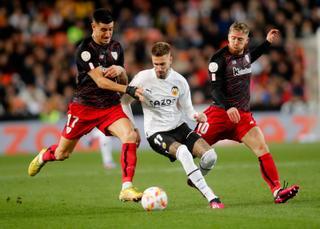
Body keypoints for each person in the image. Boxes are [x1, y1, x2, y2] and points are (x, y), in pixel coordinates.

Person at [28, 8, 144, 202]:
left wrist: (121, 70)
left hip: (109, 106)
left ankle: (126, 188)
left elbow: (122, 80)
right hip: (84, 108)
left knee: (130, 136)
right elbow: (101, 82)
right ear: (93, 26)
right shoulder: (85, 50)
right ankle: (43, 157)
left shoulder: (116, 48)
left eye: (111, 29)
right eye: (103, 30)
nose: (107, 34)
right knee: (62, 153)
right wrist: (129, 90)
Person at [195, 22, 299, 204]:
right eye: (233, 38)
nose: (235, 42)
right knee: (189, 148)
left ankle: (277, 191)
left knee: (262, 147)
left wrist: (267, 42)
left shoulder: (246, 55)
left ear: (246, 40)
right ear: (228, 38)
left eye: (240, 39)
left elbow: (253, 56)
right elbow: (215, 89)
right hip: (219, 113)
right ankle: (195, 176)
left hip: (242, 116)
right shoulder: (218, 59)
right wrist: (228, 107)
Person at [121, 42, 224, 209]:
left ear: (170, 59)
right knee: (183, 152)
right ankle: (212, 197)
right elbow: (124, 102)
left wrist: (196, 116)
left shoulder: (180, 81)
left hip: (179, 127)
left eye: (162, 64)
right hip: (156, 133)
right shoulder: (143, 78)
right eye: (155, 64)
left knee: (210, 157)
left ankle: (194, 179)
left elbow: (188, 110)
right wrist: (133, 127)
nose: (159, 68)